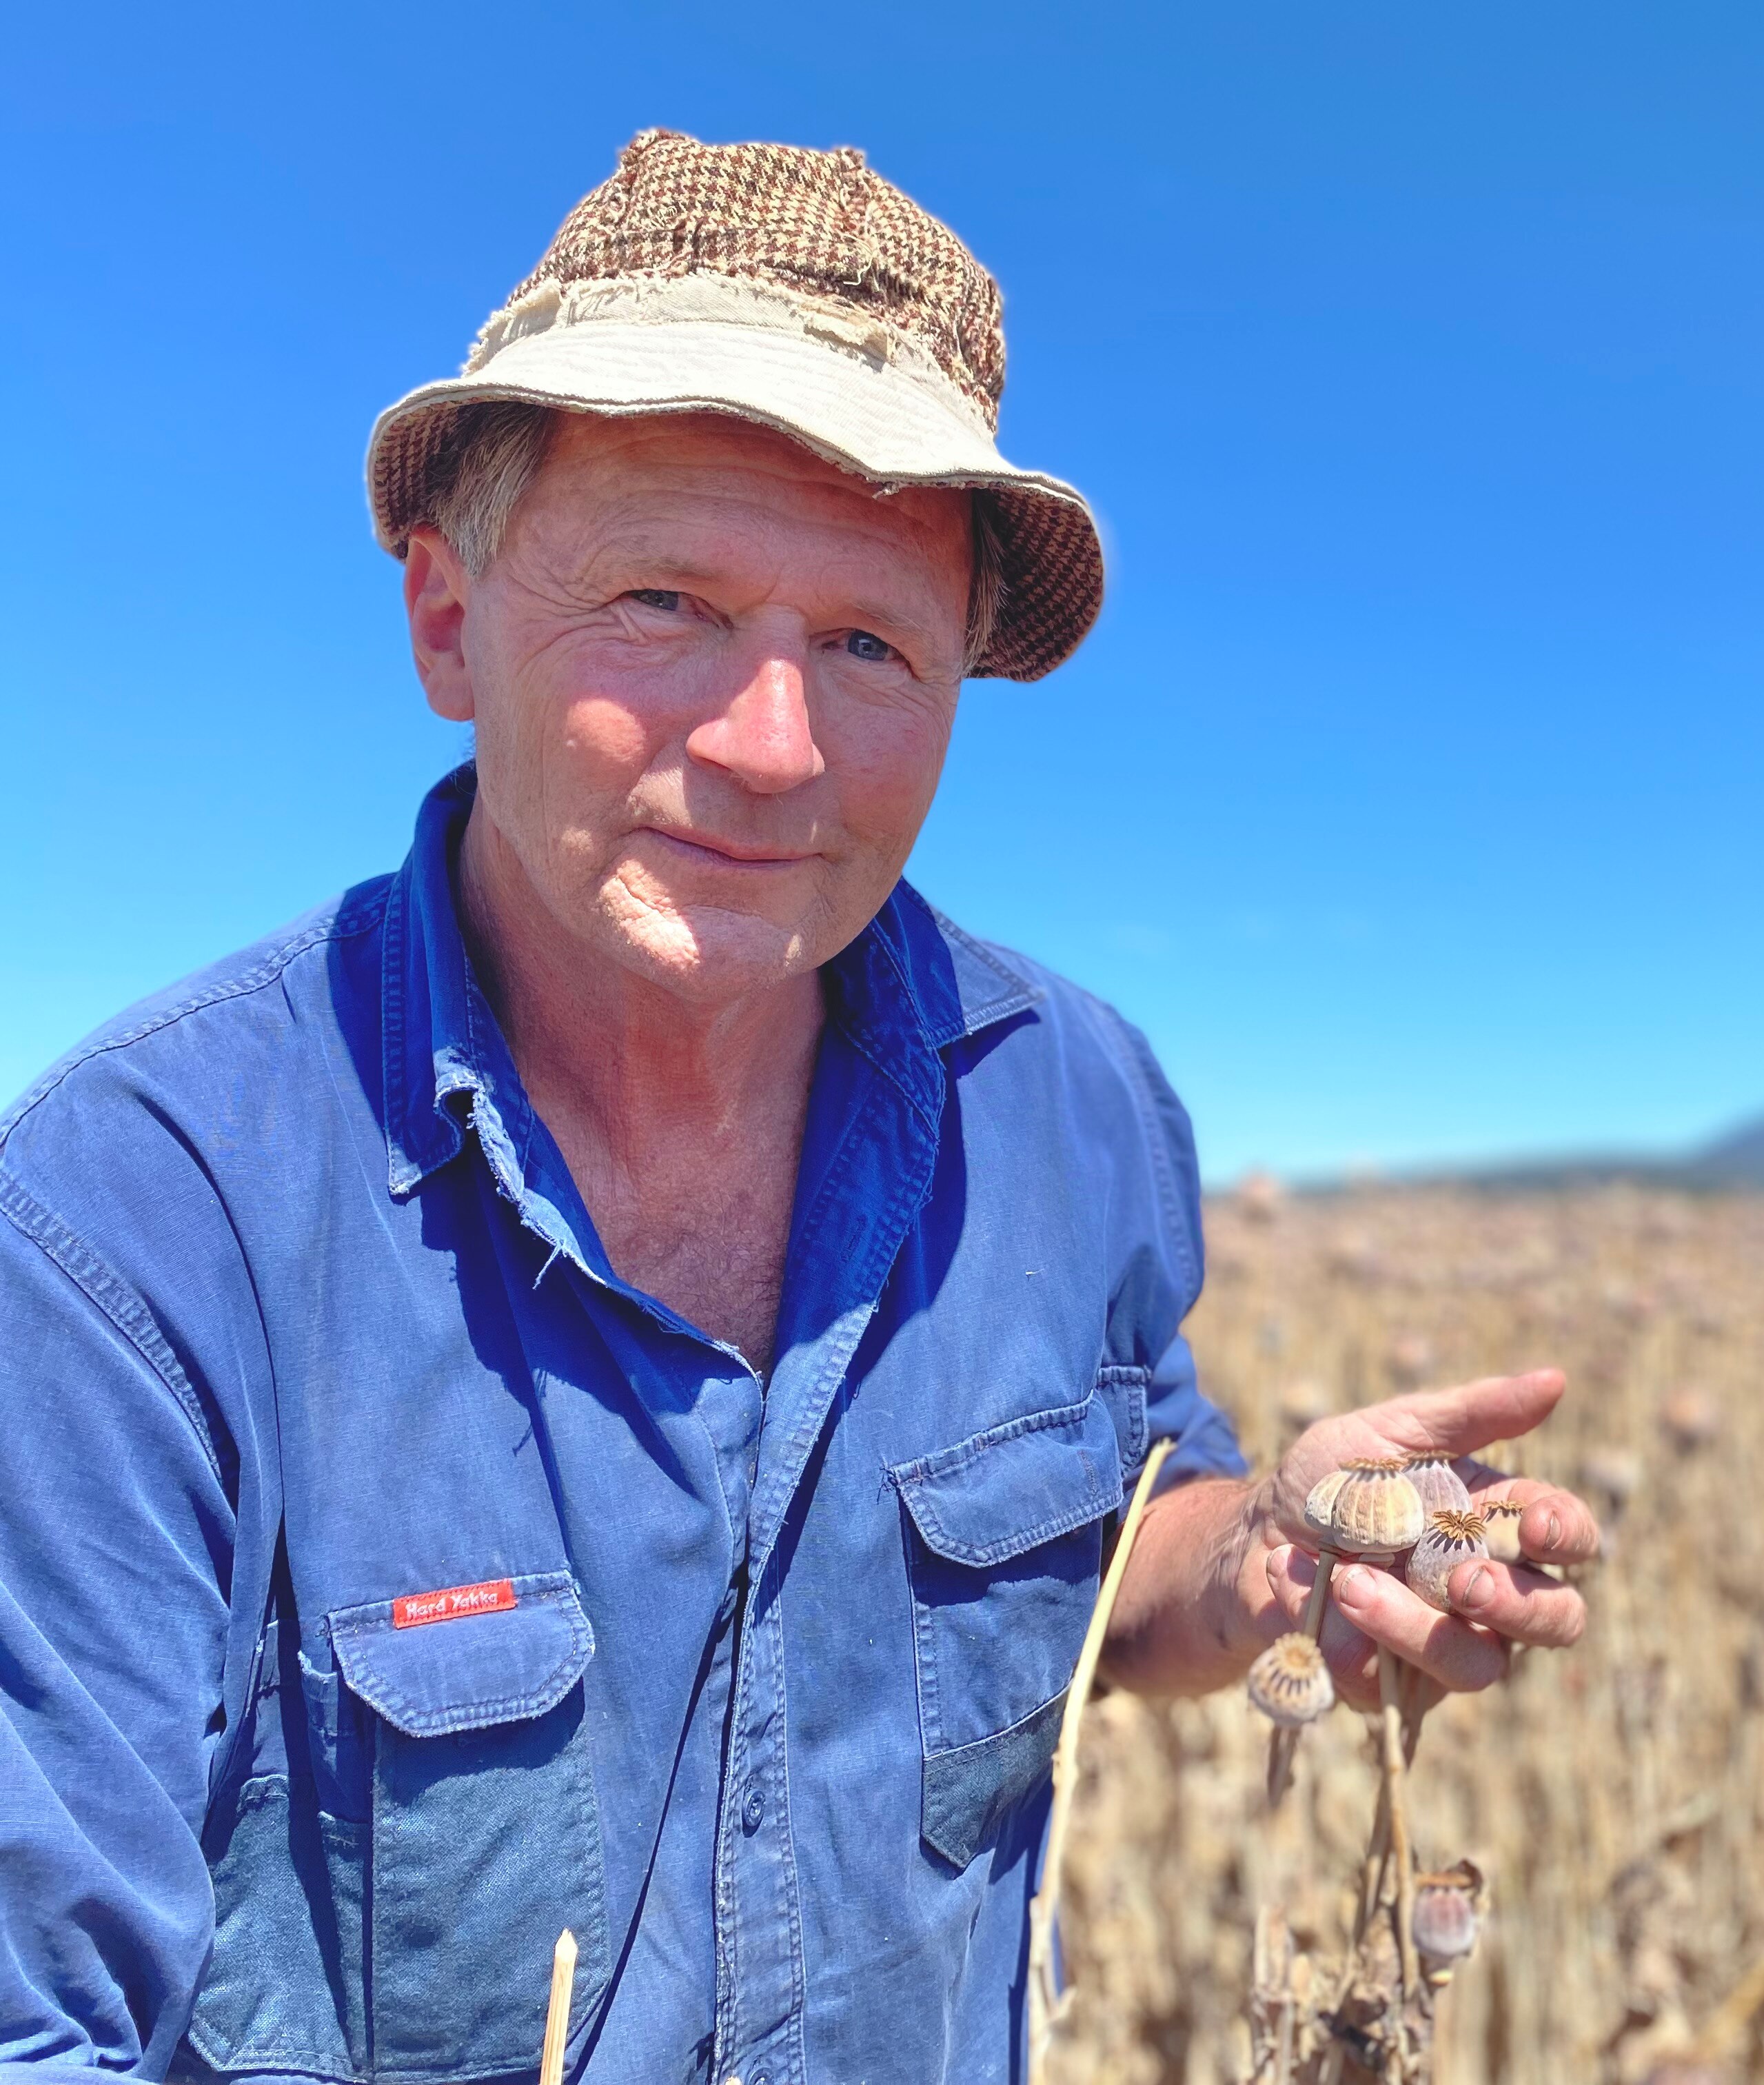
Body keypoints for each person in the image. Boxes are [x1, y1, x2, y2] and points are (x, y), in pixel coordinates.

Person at [0, 131, 1594, 2085]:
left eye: (868, 645)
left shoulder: (1071, 1105)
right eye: (666, 601)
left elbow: (1112, 1564)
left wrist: (1262, 1549)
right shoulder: (134, 1225)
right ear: (446, 618)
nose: (774, 751)